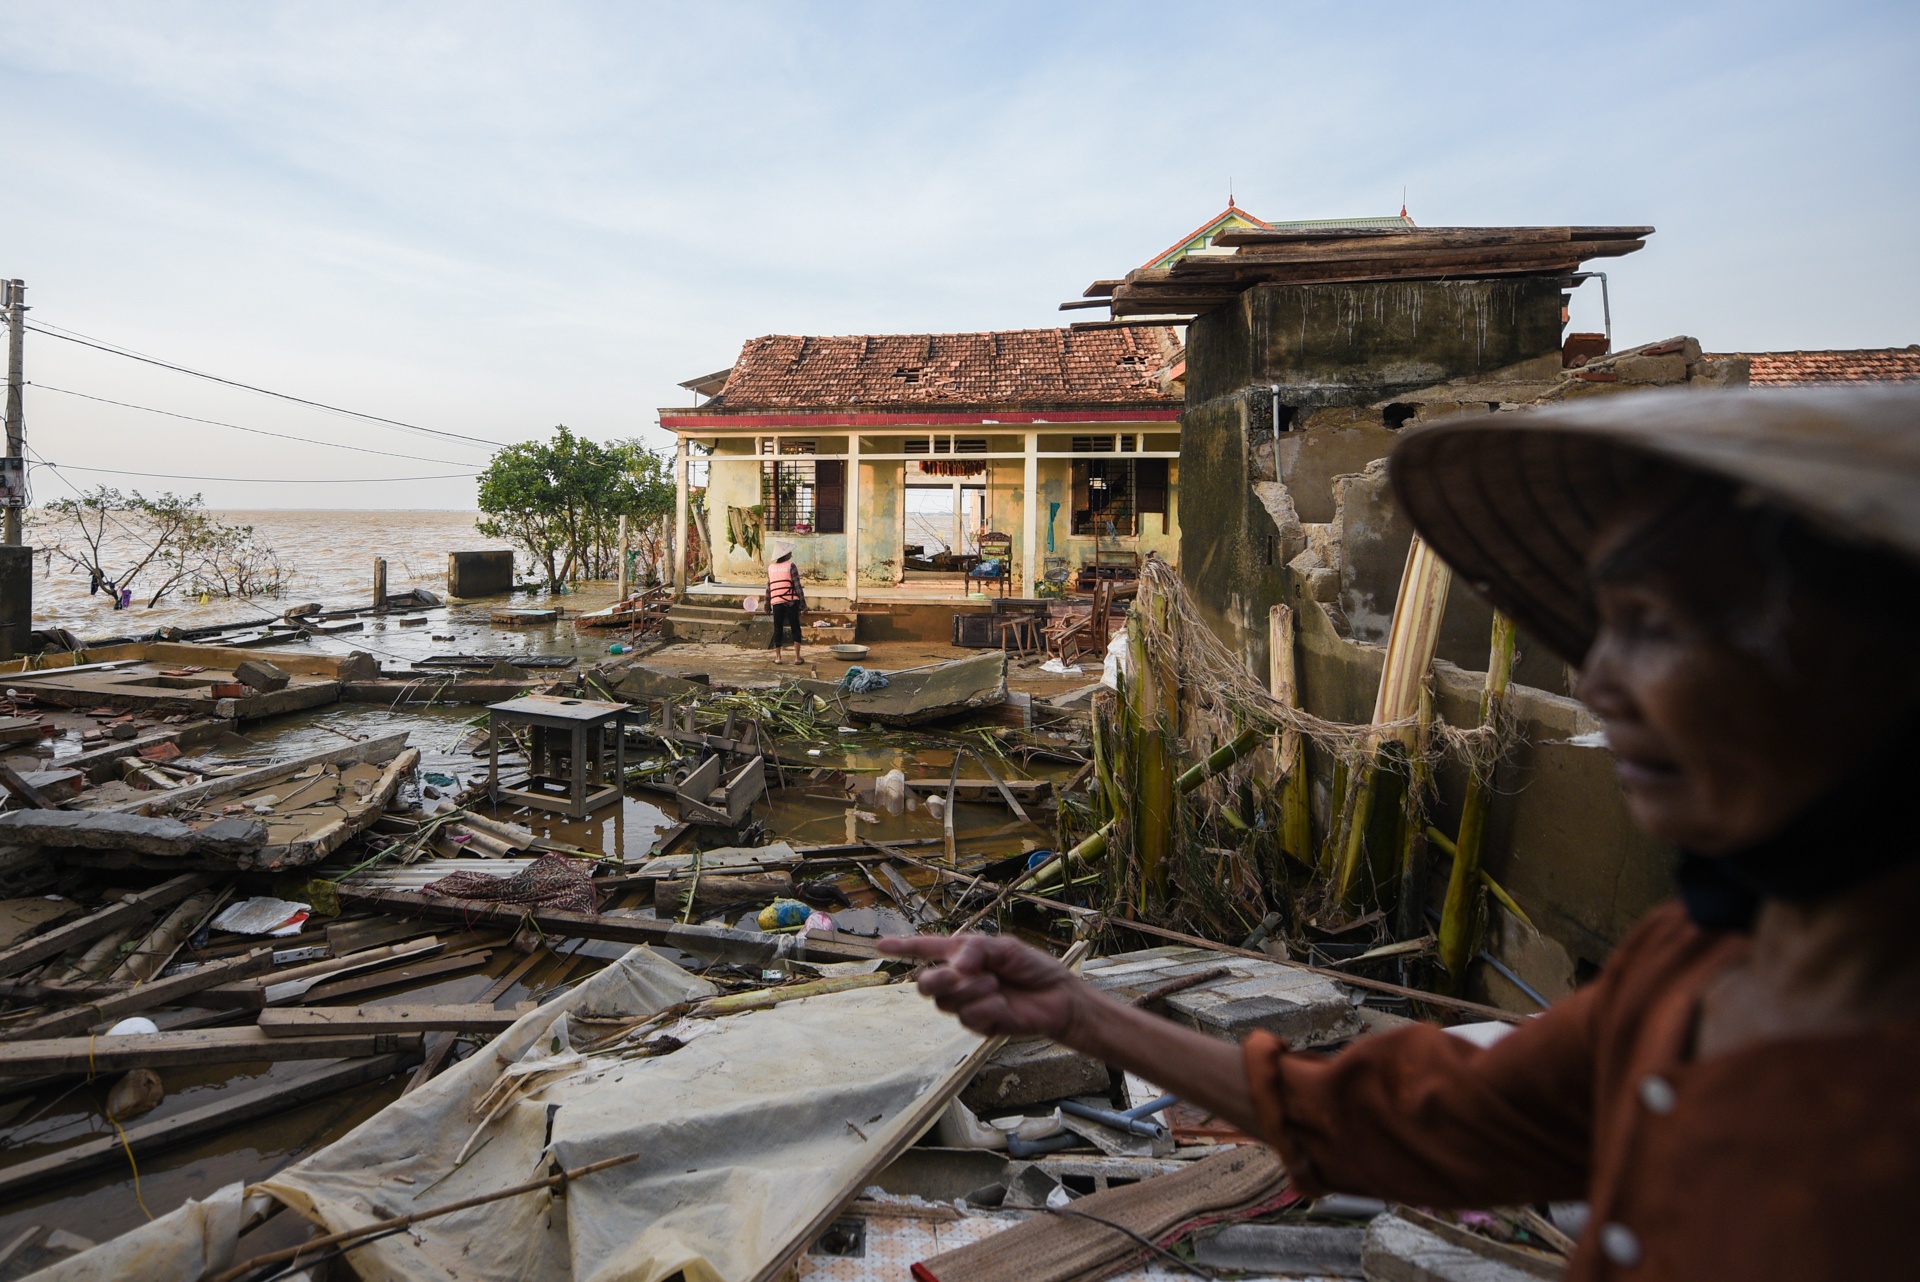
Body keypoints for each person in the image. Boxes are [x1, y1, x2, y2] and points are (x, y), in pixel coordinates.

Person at [883, 387, 1920, 1280]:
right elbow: (1418, 1120)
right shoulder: (1693, 968)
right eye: (1604, 630)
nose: (1600, 683)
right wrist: (1081, 1012)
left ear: (1860, 664)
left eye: (1657, 628)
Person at [765, 540, 805, 665]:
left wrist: (767, 605)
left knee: (778, 629)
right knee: (795, 628)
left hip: (776, 602)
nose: (791, 555)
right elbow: (797, 586)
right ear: (785, 555)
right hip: (791, 601)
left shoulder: (771, 568)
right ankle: (797, 658)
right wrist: (803, 605)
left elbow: (768, 587)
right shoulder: (791, 566)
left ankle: (778, 657)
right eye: (790, 553)